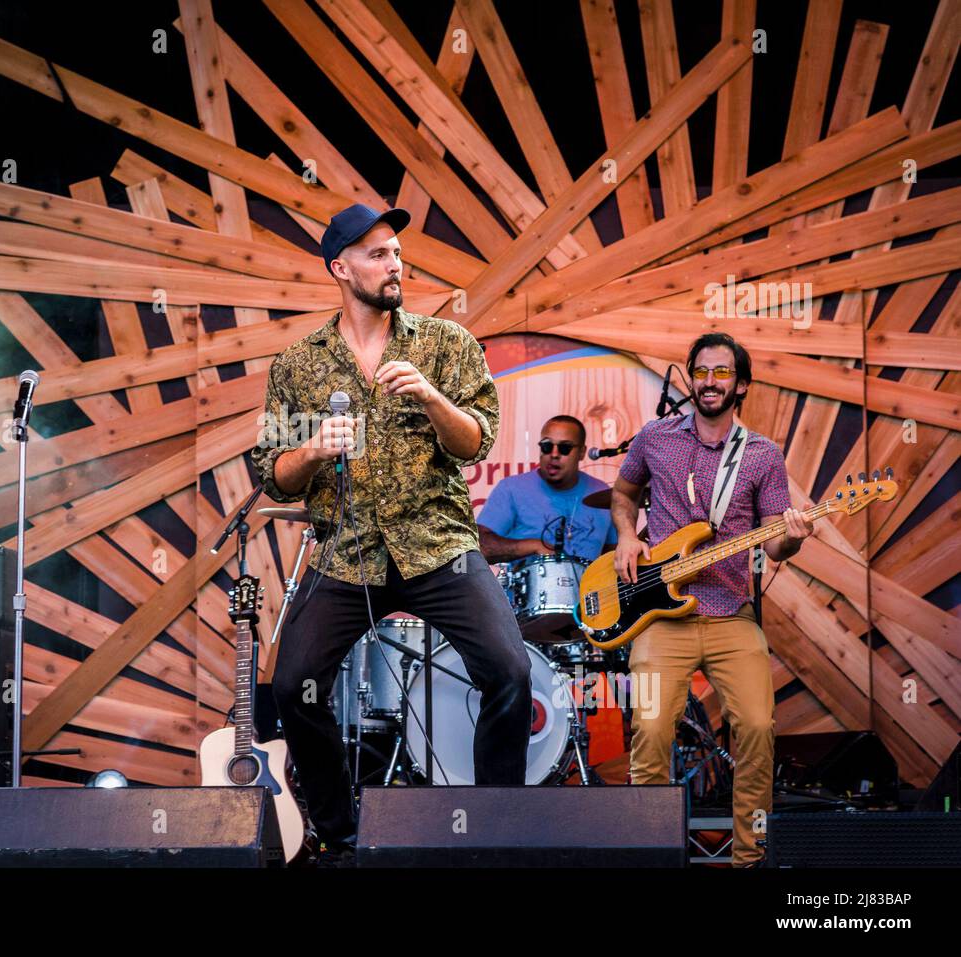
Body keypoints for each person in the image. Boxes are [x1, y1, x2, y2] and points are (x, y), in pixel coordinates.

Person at [253, 203, 532, 866]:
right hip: (347, 551)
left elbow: (476, 442)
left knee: (511, 670)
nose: (395, 264)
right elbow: (275, 476)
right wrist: (315, 447)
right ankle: (341, 835)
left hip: (438, 544)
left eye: (398, 253)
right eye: (378, 254)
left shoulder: (445, 343)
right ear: (340, 268)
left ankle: (496, 831)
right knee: (292, 684)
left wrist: (434, 398)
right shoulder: (298, 366)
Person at [610, 332, 812, 867]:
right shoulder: (654, 437)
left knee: (758, 729)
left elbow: (773, 541)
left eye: (722, 373)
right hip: (659, 618)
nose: (710, 382)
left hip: (731, 616)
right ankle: (651, 856)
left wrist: (792, 534)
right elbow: (624, 492)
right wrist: (628, 535)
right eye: (701, 371)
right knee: (650, 730)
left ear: (741, 385)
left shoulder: (763, 455)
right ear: (692, 379)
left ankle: (750, 859)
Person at [477, 414, 617, 563]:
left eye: (565, 448)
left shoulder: (601, 491)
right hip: (529, 585)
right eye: (547, 446)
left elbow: (613, 554)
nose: (554, 454)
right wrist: (534, 546)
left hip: (591, 586)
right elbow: (480, 547)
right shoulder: (511, 489)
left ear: (582, 452)